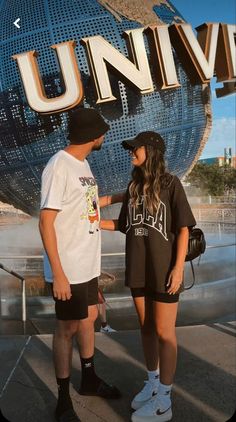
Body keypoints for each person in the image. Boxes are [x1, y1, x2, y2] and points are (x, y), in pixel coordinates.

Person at [100, 131, 196, 422]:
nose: (130, 152)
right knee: (146, 327)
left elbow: (183, 229)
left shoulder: (170, 183)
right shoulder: (133, 188)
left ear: (151, 151)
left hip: (165, 269)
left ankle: (165, 399)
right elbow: (123, 224)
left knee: (166, 333)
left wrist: (178, 268)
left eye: (135, 148)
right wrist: (94, 222)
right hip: (139, 267)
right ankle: (153, 383)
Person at [39, 108, 121, 422]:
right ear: (91, 135)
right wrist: (58, 274)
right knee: (66, 329)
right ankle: (62, 400)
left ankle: (88, 379)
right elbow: (46, 222)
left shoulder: (83, 164)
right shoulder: (59, 166)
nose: (104, 135)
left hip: (86, 265)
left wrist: (117, 198)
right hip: (69, 268)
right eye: (102, 131)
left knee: (87, 320)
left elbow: (85, 204)